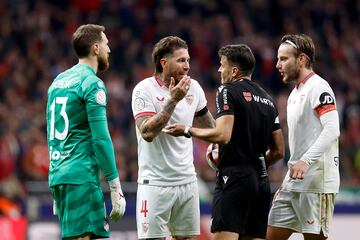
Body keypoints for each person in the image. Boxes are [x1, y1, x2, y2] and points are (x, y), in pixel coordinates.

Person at [164, 44, 285, 240]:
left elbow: (223, 135)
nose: (220, 70)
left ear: (234, 70)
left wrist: (187, 130)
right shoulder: (268, 99)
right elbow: (279, 150)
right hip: (262, 181)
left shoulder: (227, 90)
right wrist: (254, 166)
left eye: (222, 65)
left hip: (234, 177)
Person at [131, 36, 215, 240]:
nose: (187, 66)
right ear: (164, 63)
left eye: (188, 60)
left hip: (187, 181)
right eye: (180, 61)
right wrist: (173, 101)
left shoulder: (193, 87)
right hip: (155, 183)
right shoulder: (144, 90)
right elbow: (147, 133)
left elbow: (211, 128)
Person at [46, 24, 126, 240]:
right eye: (107, 44)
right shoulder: (91, 84)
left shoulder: (57, 82)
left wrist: (56, 176)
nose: (110, 49)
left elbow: (52, 134)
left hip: (60, 174)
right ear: (96, 48)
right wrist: (114, 185)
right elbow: (101, 139)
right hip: (80, 175)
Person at [266, 34, 340, 240]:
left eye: (283, 59)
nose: (278, 64)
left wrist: (305, 161)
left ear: (302, 59)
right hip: (293, 181)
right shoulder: (293, 95)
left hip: (316, 183)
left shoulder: (319, 87)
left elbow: (332, 129)